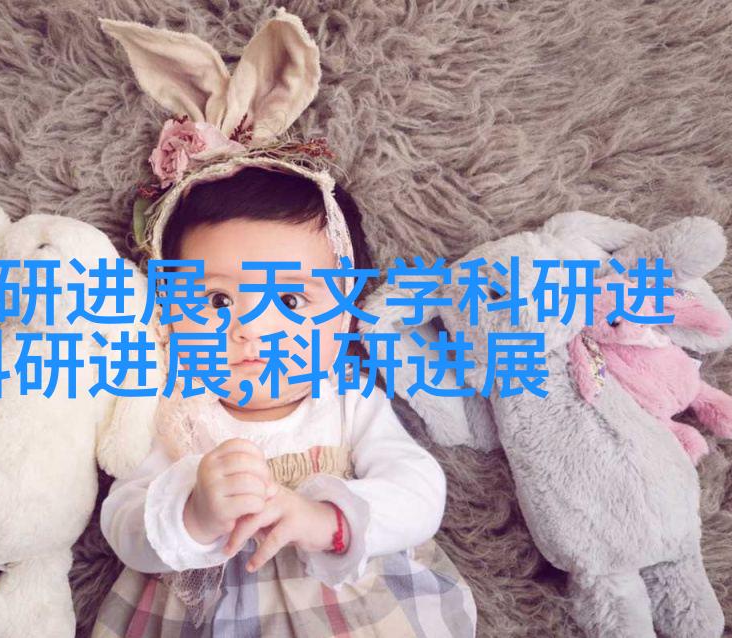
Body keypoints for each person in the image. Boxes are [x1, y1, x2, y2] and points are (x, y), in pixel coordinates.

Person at [92, 8, 476, 636]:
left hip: (348, 606)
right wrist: (193, 513)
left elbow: (419, 489)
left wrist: (328, 520)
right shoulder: (176, 414)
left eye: (292, 301)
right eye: (216, 302)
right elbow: (123, 524)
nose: (252, 329)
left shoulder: (347, 403)